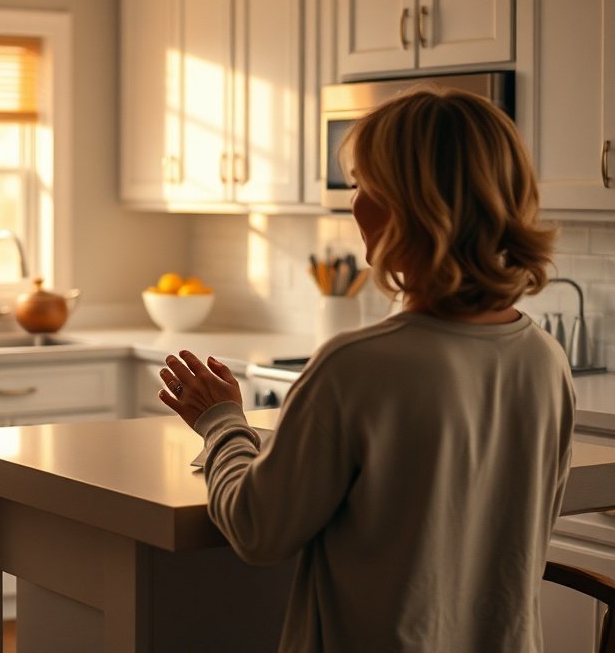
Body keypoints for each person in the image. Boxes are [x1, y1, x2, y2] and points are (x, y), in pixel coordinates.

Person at [157, 88, 575, 652]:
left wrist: (221, 422)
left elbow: (258, 529)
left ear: (409, 205)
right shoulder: (544, 359)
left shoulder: (358, 366)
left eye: (360, 185)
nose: (351, 205)